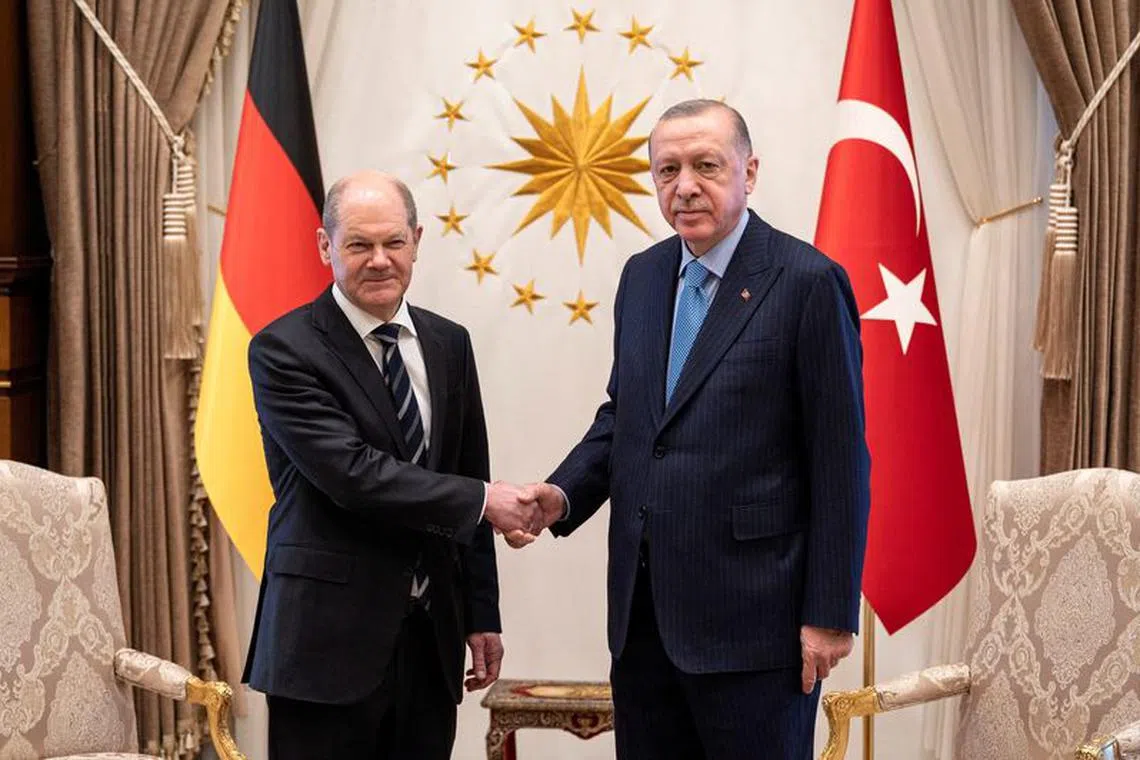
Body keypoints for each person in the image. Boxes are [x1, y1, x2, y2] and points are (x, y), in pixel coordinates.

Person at [511, 100, 872, 759]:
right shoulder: (642, 277)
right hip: (644, 623)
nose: (685, 186)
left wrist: (829, 614)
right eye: (666, 170)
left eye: (707, 166)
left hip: (758, 632)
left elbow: (841, 460)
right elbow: (629, 419)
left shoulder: (808, 283)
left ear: (749, 172)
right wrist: (562, 495)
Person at [242, 170, 542, 759]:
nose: (379, 261)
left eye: (393, 243)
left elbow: (467, 467)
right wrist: (487, 501)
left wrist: (481, 613)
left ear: (417, 241)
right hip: (325, 646)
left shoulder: (449, 343)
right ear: (325, 246)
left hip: (430, 643)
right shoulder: (282, 349)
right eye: (358, 245)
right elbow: (354, 475)